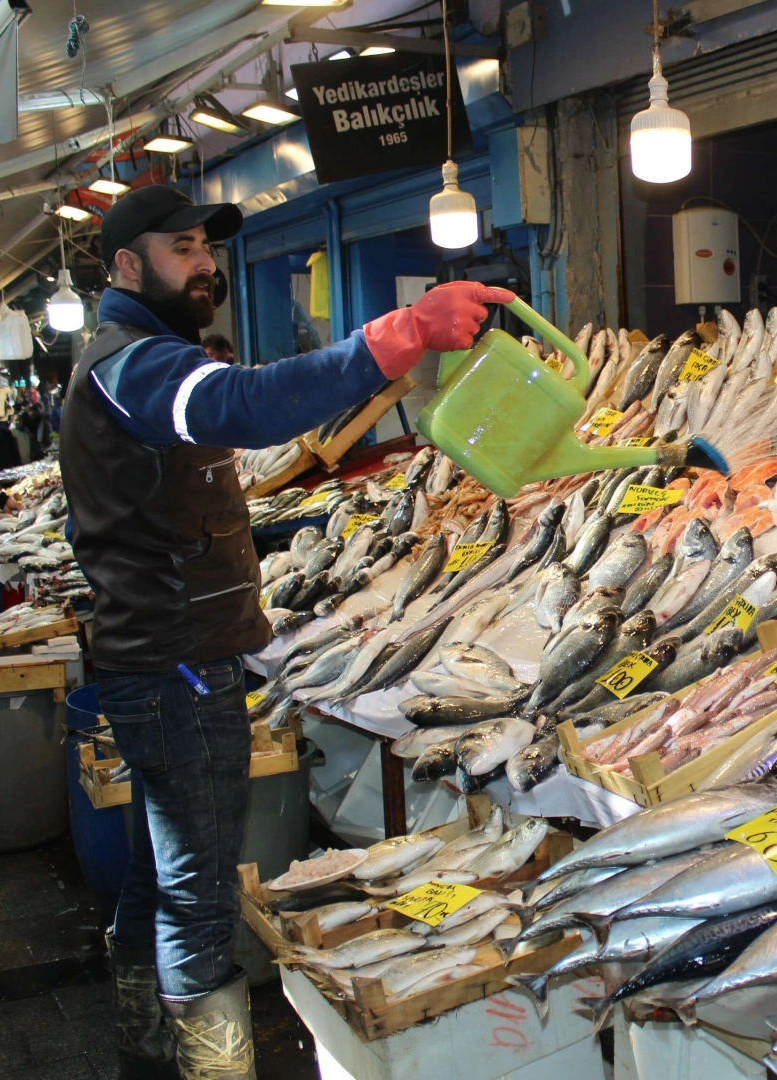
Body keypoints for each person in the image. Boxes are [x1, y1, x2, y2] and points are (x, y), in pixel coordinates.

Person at [59, 184, 512, 1080]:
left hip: (167, 660)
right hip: (175, 673)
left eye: (206, 246)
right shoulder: (132, 363)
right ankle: (208, 1066)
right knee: (196, 892)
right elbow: (249, 405)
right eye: (181, 246)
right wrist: (401, 332)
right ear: (124, 265)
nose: (205, 263)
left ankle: (144, 1038)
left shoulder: (136, 354)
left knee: (162, 870)